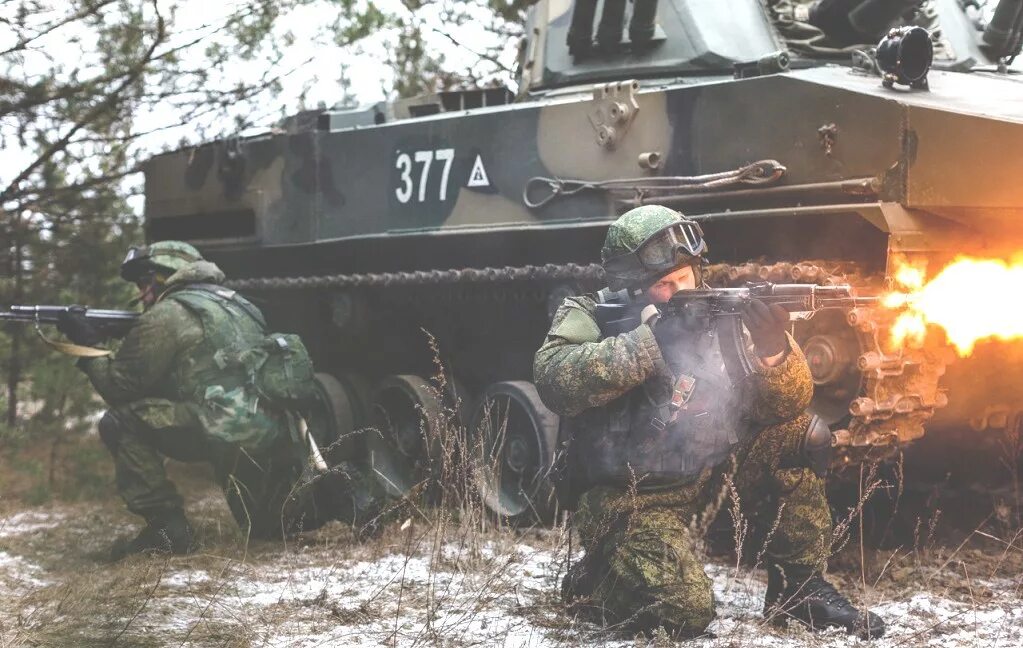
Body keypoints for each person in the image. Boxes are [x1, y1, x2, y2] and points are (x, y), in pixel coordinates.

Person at [533, 205, 885, 638]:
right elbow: (555, 379)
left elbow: (786, 405)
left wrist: (772, 349)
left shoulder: (727, 311)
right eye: (662, 285)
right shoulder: (590, 312)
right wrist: (646, 344)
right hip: (631, 495)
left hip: (709, 473)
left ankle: (799, 588)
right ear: (631, 290)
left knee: (800, 435)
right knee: (685, 614)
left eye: (684, 277)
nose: (679, 291)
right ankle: (596, 579)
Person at [57, 241, 383, 558]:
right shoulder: (239, 305)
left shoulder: (168, 314)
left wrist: (88, 347)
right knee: (268, 529)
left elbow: (119, 387)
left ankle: (167, 528)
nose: (141, 293)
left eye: (145, 282)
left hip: (218, 428)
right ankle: (343, 497)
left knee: (121, 421)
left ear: (166, 274)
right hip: (262, 428)